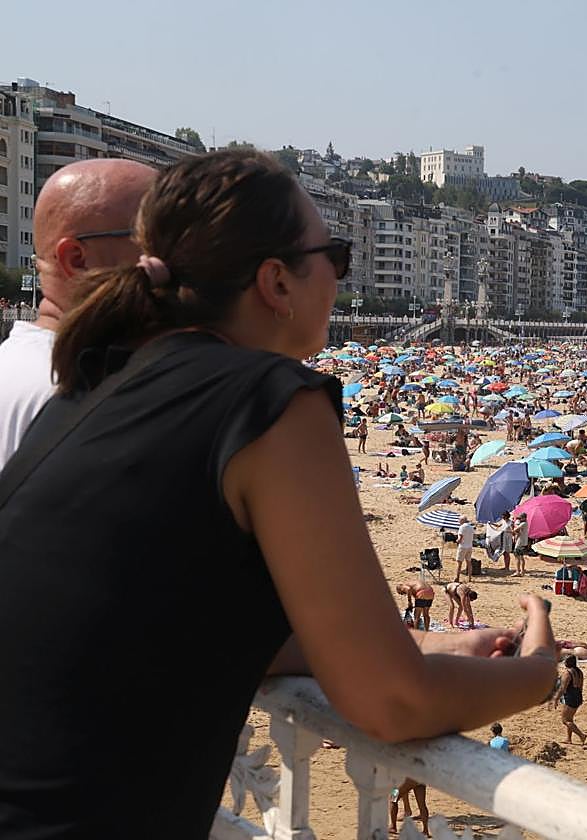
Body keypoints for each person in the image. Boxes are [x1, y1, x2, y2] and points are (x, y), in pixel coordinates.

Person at [0, 150, 557, 837]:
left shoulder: (98, 381)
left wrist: (431, 645)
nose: (340, 277)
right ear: (275, 282)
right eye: (336, 257)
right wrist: (540, 671)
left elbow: (173, 621)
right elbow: (392, 702)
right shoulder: (269, 402)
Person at [0, 158, 157, 470]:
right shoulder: (81, 394)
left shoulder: (15, 367)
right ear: (77, 259)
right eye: (155, 238)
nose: (174, 260)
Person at [551, 655, 587, 745]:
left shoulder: (567, 673)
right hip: (578, 696)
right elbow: (581, 687)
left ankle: (581, 735)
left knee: (565, 720)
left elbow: (562, 688)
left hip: (571, 697)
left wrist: (556, 699)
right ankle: (569, 739)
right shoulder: (579, 672)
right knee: (570, 719)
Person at [455, 517, 476, 582]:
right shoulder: (471, 527)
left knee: (459, 563)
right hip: (469, 546)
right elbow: (473, 536)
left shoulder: (462, 527)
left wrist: (456, 541)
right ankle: (469, 578)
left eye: (459, 520)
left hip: (463, 547)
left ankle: (457, 578)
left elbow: (460, 538)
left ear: (462, 520)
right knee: (469, 563)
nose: (458, 521)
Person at [512, 512, 530, 576]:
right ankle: (522, 571)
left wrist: (514, 525)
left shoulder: (523, 524)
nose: (520, 519)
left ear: (524, 518)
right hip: (523, 542)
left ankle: (518, 571)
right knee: (521, 557)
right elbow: (518, 532)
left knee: (517, 557)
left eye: (521, 518)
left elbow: (515, 530)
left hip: (520, 542)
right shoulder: (525, 523)